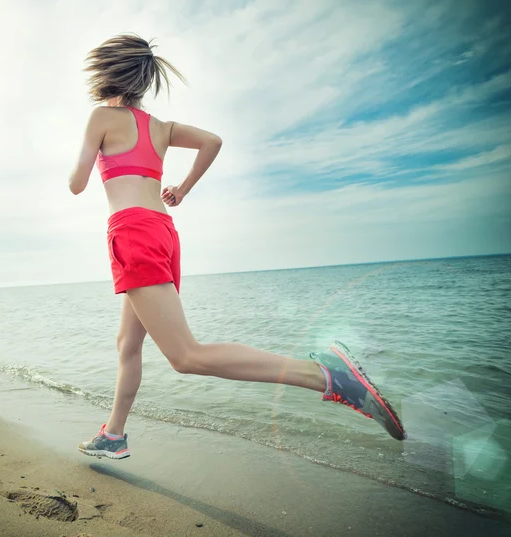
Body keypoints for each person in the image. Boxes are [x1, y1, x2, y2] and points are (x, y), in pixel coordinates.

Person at [68, 35, 406, 459]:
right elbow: (212, 140)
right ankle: (114, 433)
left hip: (132, 231)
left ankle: (327, 377)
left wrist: (88, 157)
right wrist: (182, 190)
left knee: (185, 356)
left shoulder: (100, 116)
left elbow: (77, 184)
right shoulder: (159, 127)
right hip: (162, 230)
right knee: (128, 344)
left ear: (107, 74)